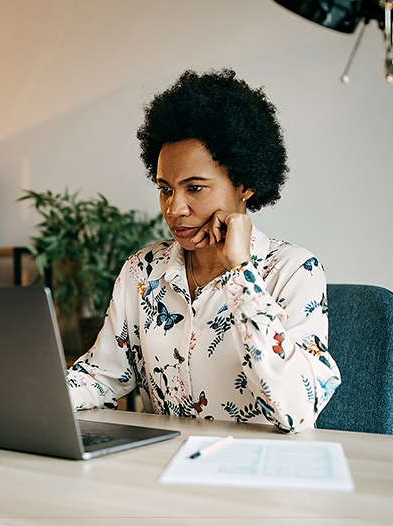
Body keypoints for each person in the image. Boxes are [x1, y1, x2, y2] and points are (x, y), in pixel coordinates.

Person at [65, 69, 340, 433]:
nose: (173, 208)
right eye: (165, 188)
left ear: (244, 184)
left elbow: (297, 410)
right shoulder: (143, 270)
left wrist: (240, 271)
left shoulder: (293, 271)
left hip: (258, 476)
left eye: (194, 188)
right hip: (162, 469)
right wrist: (31, 392)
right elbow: (103, 374)